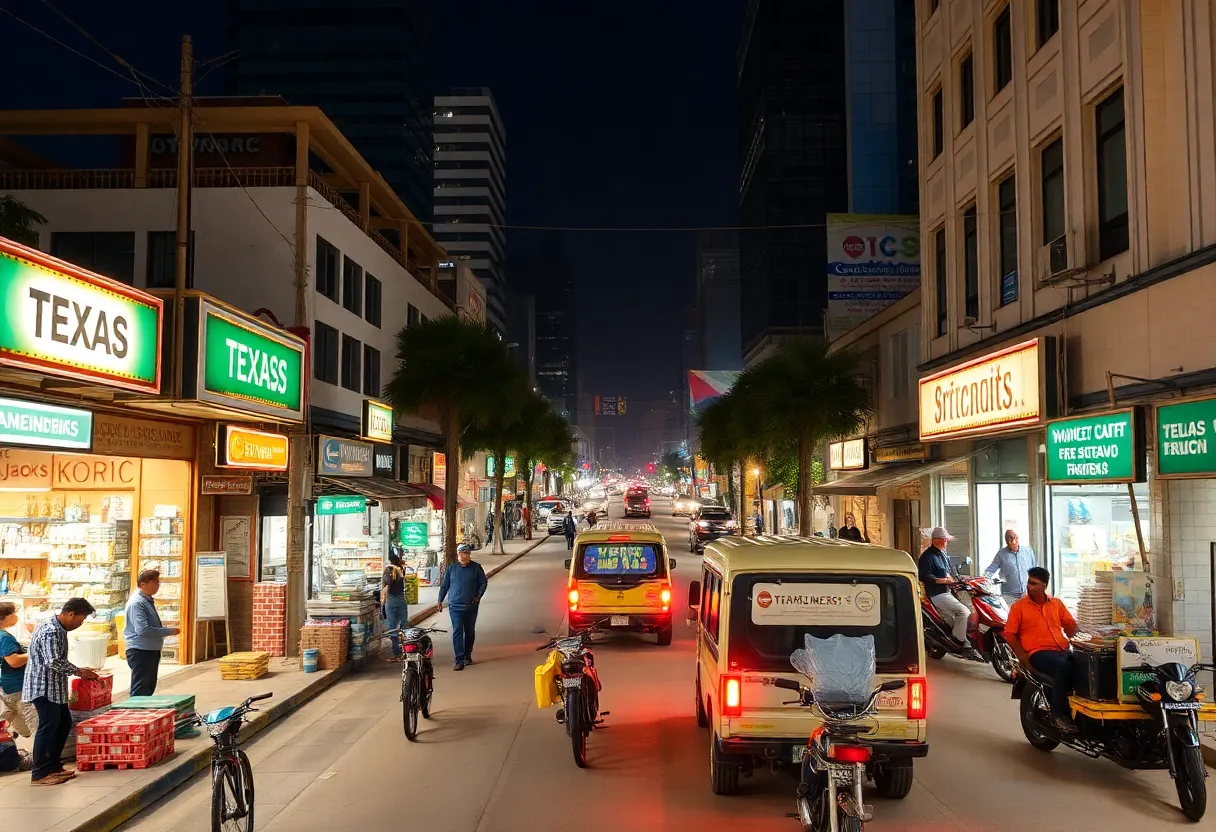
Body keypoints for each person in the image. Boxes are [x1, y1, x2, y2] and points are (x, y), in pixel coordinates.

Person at [25, 597, 99, 785]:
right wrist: (79, 672)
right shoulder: (51, 631)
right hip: (43, 687)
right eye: (80, 621)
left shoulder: (58, 628)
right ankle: (39, 773)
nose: (79, 625)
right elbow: (53, 661)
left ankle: (53, 766)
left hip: (55, 687)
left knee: (63, 724)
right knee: (48, 727)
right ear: (70, 614)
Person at [1005, 566, 1079, 732]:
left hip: (1061, 648)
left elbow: (1070, 626)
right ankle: (1058, 715)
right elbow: (1009, 635)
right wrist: (1022, 658)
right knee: (1064, 667)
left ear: (1044, 586)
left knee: (1085, 668)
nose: (1029, 586)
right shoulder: (1019, 607)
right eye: (1029, 582)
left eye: (1034, 583)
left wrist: (1086, 636)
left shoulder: (1056, 604)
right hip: (1037, 652)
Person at [918, 527, 981, 659]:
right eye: (945, 540)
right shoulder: (927, 557)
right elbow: (924, 576)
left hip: (948, 591)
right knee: (963, 612)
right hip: (937, 594)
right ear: (938, 540)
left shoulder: (943, 554)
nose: (947, 542)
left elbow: (951, 572)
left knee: (961, 615)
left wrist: (961, 579)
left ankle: (959, 637)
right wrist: (941, 580)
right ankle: (959, 642)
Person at [123, 569, 180, 697]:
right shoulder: (137, 603)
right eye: (156, 582)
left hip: (150, 649)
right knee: (141, 689)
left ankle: (143, 712)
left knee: (148, 688)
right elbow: (143, 630)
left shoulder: (146, 600)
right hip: (141, 650)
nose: (158, 585)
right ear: (144, 584)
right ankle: (136, 714)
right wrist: (169, 631)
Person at [438, 544, 488, 671]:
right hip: (455, 606)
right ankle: (459, 659)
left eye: (466, 553)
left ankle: (467, 655)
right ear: (458, 554)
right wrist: (440, 600)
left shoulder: (476, 568)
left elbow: (483, 582)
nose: (464, 556)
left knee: (470, 632)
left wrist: (478, 597)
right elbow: (445, 586)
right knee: (457, 631)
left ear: (469, 555)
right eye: (461, 553)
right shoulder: (452, 569)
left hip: (471, 606)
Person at [0, 603, 36, 742]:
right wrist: (32, 654)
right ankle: (40, 757)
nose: (16, 617)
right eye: (13, 614)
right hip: (17, 685)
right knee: (34, 721)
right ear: (3, 617)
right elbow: (14, 661)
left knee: (11, 716)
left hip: (6, 686)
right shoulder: (4, 637)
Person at [984, 530, 1037, 605]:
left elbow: (1035, 571)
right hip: (1009, 596)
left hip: (1027, 594)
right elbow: (991, 569)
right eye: (1007, 540)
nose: (1009, 542)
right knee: (1010, 616)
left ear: (1017, 538)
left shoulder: (1028, 551)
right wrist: (983, 580)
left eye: (1012, 539)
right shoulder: (1001, 554)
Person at [382, 553, 409, 660]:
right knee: (404, 625)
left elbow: (387, 586)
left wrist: (383, 600)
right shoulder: (401, 568)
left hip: (392, 600)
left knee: (392, 627)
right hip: (402, 599)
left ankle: (397, 653)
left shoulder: (389, 569)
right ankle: (407, 650)